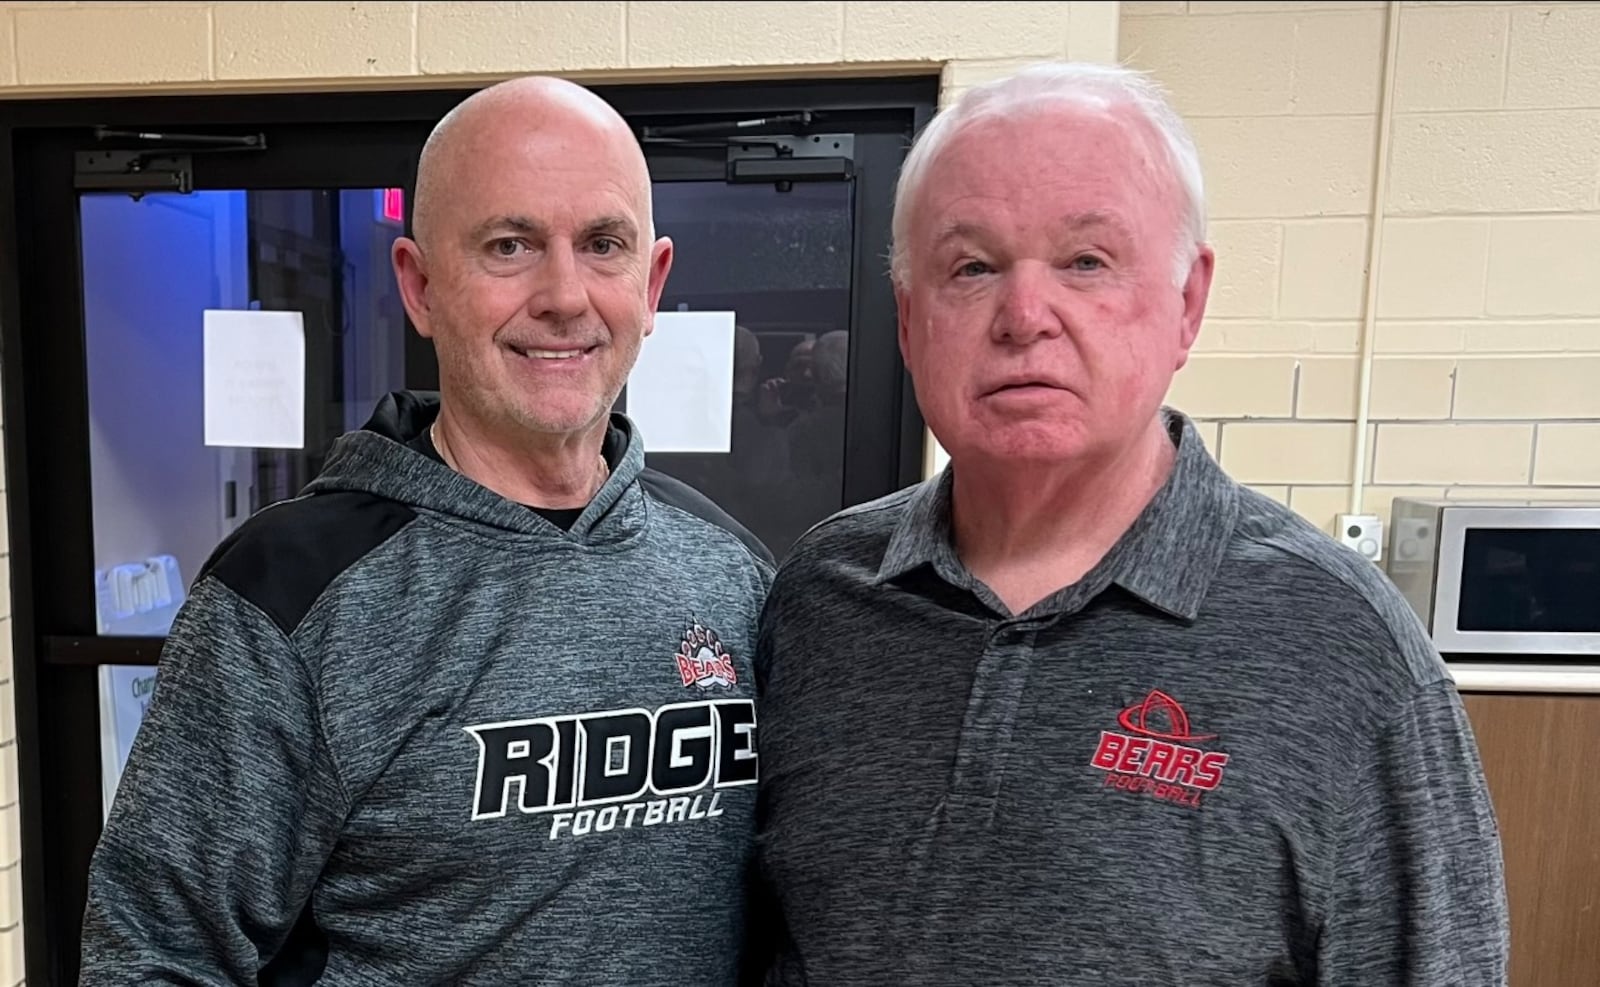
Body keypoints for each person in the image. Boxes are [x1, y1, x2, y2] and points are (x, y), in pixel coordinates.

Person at [752, 62, 1509, 985]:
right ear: (910, 323)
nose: (1025, 316)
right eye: (972, 267)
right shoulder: (822, 598)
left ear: (1187, 302)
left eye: (1086, 261)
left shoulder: (1343, 651)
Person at [79, 76, 774, 985]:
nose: (565, 294)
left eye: (603, 244)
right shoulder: (286, 594)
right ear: (419, 284)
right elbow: (152, 955)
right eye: (510, 245)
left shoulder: (733, 571)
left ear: (651, 285)